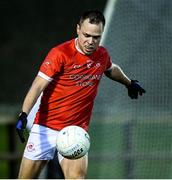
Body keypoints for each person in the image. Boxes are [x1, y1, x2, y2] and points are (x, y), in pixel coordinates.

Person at [16, 10, 146, 179]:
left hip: (75, 131)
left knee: (77, 178)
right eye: (87, 35)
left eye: (96, 37)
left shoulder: (102, 54)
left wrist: (129, 83)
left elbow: (111, 69)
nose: (91, 41)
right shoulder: (60, 54)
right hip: (45, 128)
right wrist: (24, 114)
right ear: (78, 29)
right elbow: (37, 86)